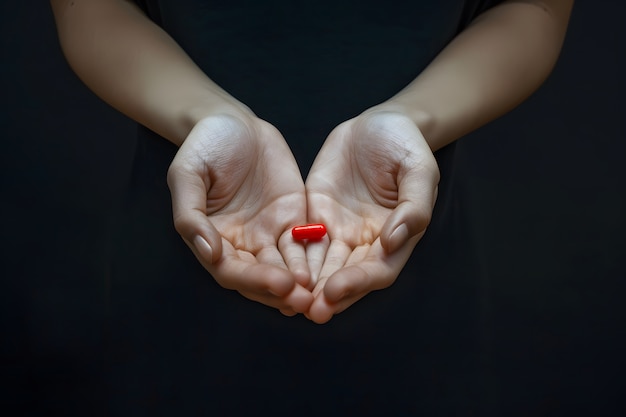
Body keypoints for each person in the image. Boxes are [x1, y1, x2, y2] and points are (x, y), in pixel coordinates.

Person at [50, 0, 574, 414]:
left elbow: (537, 10)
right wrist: (205, 116)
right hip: (188, 265)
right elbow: (87, 7)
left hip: (417, 268)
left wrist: (411, 118)